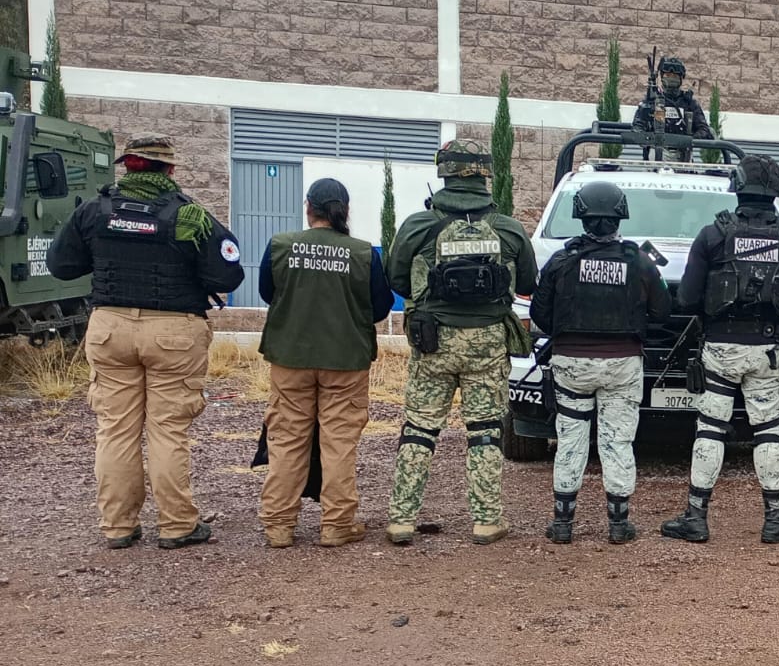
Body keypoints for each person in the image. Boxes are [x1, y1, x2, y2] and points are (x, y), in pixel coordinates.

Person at [46, 135, 244, 550]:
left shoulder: (95, 211)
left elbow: (61, 265)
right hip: (173, 333)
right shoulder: (189, 215)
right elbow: (227, 275)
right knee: (167, 430)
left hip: (110, 329)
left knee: (115, 429)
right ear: (169, 170)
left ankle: (118, 526)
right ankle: (177, 525)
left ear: (127, 166)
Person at [384, 140, 537, 546]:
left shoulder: (419, 225)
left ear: (444, 172)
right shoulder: (508, 228)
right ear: (486, 173)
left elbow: (396, 279)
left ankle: (401, 521)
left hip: (432, 340)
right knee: (485, 432)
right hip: (488, 343)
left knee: (419, 429)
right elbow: (527, 282)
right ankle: (487, 521)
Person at [661, 154, 779, 544]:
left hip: (720, 349)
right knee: (769, 430)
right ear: (777, 191)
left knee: (710, 428)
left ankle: (696, 517)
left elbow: (687, 298)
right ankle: (775, 519)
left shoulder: (712, 235)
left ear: (738, 186)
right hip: (768, 350)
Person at [257, 178, 394, 548]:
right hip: (345, 360)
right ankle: (336, 525)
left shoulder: (280, 246)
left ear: (308, 208)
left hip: (290, 358)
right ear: (344, 211)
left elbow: (268, 293)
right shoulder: (364, 253)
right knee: (339, 443)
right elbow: (380, 307)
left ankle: (279, 525)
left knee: (287, 440)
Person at [530, 181, 670, 545]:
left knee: (570, 440)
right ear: (620, 215)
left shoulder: (561, 260)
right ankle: (619, 525)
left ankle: (563, 524)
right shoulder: (639, 260)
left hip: (571, 364)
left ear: (581, 216)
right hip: (622, 365)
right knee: (617, 441)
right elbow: (663, 311)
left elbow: (540, 314)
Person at [630, 55, 712, 161]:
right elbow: (637, 127)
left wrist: (689, 140)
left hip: (684, 154)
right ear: (662, 77)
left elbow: (704, 129)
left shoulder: (689, 103)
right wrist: (650, 139)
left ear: (681, 78)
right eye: (668, 75)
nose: (671, 78)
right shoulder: (652, 101)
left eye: (675, 76)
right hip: (656, 152)